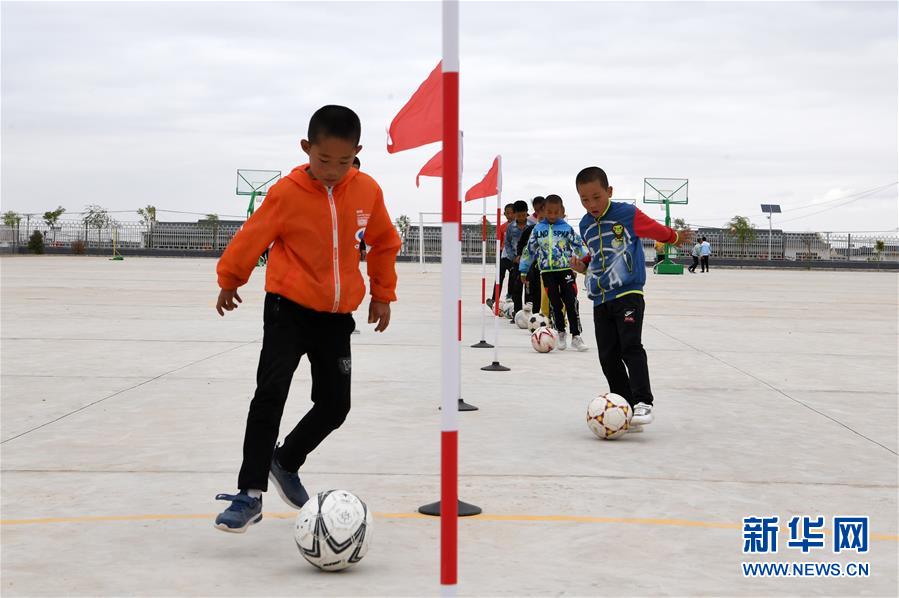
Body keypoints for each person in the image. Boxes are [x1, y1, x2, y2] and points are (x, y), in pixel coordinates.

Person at [212, 105, 401, 533]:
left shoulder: (367, 191)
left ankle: (286, 460)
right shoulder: (286, 193)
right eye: (323, 160)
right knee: (270, 393)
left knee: (336, 404)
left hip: (336, 316)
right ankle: (250, 493)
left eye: (343, 161)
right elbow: (252, 237)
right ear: (306, 149)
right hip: (287, 309)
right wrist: (230, 278)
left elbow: (384, 242)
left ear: (357, 152)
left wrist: (382, 293)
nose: (332, 170)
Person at [570, 166, 680, 430]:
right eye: (584, 199)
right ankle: (625, 403)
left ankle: (643, 401)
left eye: (596, 197)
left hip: (628, 293)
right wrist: (583, 266)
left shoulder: (626, 214)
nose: (591, 204)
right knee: (608, 355)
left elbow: (655, 230)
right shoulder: (585, 224)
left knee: (630, 346)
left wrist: (674, 236)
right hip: (600, 298)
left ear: (609, 191)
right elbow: (596, 256)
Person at [519, 194, 589, 351]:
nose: (552, 215)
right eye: (549, 212)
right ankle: (561, 332)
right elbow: (529, 250)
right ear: (543, 211)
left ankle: (576, 336)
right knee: (555, 304)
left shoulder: (566, 228)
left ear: (561, 211)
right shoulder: (538, 229)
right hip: (547, 272)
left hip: (565, 270)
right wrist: (523, 269)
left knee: (571, 302)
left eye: (555, 212)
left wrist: (587, 264)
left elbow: (579, 246)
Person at [516, 196, 547, 311]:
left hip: (549, 267)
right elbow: (523, 246)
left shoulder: (556, 231)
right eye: (540, 217)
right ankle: (533, 312)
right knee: (533, 290)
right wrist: (520, 258)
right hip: (533, 267)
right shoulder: (531, 230)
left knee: (549, 292)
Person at [503, 200, 530, 319]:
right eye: (518, 215)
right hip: (516, 262)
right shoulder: (510, 227)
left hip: (529, 263)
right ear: (514, 214)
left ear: (527, 213)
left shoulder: (532, 226)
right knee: (516, 289)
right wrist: (513, 257)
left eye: (523, 215)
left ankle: (529, 314)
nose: (521, 218)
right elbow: (507, 243)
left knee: (529, 289)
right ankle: (518, 314)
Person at [487, 203, 516, 309]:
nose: (509, 215)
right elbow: (499, 242)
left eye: (512, 213)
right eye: (507, 213)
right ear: (504, 214)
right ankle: (494, 300)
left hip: (513, 254)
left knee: (513, 274)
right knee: (499, 277)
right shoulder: (502, 227)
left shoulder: (519, 226)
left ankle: (510, 296)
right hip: (503, 254)